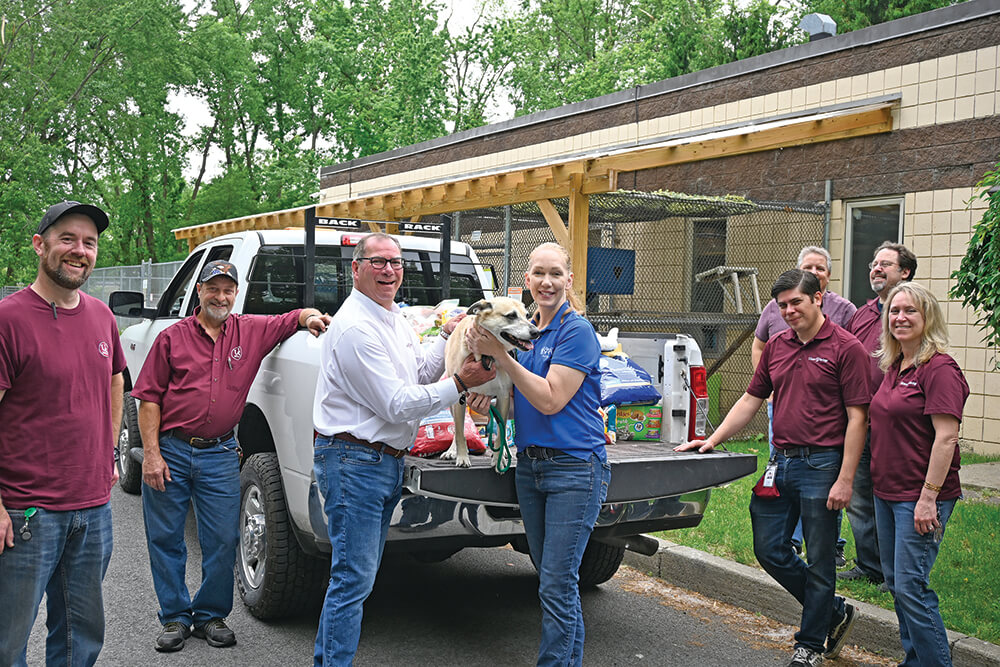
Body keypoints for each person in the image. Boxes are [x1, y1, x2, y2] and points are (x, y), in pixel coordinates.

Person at [311, 232, 495, 666]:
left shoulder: (392, 318)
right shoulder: (356, 327)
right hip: (354, 461)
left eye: (395, 263)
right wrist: (462, 383)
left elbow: (418, 372)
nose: (389, 270)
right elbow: (395, 404)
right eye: (377, 262)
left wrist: (447, 338)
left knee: (359, 577)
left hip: (380, 462)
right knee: (352, 579)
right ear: (355, 269)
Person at [131, 260, 331, 653]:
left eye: (227, 290)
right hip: (171, 449)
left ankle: (209, 615)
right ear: (200, 292)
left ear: (235, 294)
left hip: (220, 453)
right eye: (213, 289)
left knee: (222, 538)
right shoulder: (172, 339)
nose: (220, 297)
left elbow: (290, 317)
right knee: (166, 537)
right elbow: (148, 398)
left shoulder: (250, 330)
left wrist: (310, 317)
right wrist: (151, 455)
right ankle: (174, 616)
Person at [677, 269, 869, 667]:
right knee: (769, 549)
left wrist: (846, 478)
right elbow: (751, 398)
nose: (788, 311)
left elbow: (858, 418)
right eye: (782, 305)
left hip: (823, 464)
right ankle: (831, 611)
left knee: (819, 557)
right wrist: (712, 439)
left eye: (796, 302)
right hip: (780, 462)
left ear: (818, 298)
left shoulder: (846, 348)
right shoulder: (779, 345)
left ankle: (811, 644)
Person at [468, 242, 610, 667]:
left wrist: (503, 359)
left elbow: (550, 400)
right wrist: (487, 404)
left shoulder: (575, 332)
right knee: (553, 580)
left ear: (569, 279)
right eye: (538, 274)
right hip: (531, 467)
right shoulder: (526, 329)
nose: (546, 282)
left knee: (556, 581)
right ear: (526, 280)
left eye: (555, 273)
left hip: (574, 467)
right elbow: (516, 404)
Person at [0, 201, 125, 666]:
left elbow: (116, 377)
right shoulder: (8, 320)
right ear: (40, 245)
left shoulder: (100, 316)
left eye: (89, 242)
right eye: (67, 239)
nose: (80, 251)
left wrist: (110, 451)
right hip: (26, 512)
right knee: (8, 640)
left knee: (80, 636)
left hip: (92, 510)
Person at [870, 282, 967, 667]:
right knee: (897, 584)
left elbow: (946, 438)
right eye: (895, 311)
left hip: (921, 496)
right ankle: (916, 660)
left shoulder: (939, 368)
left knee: (911, 585)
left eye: (910, 311)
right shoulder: (894, 366)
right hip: (887, 492)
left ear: (928, 318)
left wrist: (929, 497)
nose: (901, 317)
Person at [752, 246, 856, 561]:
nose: (789, 310)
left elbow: (856, 407)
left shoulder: (845, 316)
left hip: (825, 438)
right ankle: (794, 540)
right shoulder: (777, 329)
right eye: (808, 267)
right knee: (773, 535)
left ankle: (827, 546)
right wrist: (769, 387)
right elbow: (759, 349)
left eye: (820, 268)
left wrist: (846, 478)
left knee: (823, 504)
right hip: (783, 410)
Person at [839, 241, 917, 586]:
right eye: (874, 263)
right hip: (859, 420)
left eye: (886, 263)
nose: (876, 268)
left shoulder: (913, 314)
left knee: (890, 498)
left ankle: (897, 572)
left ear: (905, 272)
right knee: (858, 495)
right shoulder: (863, 313)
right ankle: (870, 566)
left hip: (895, 425)